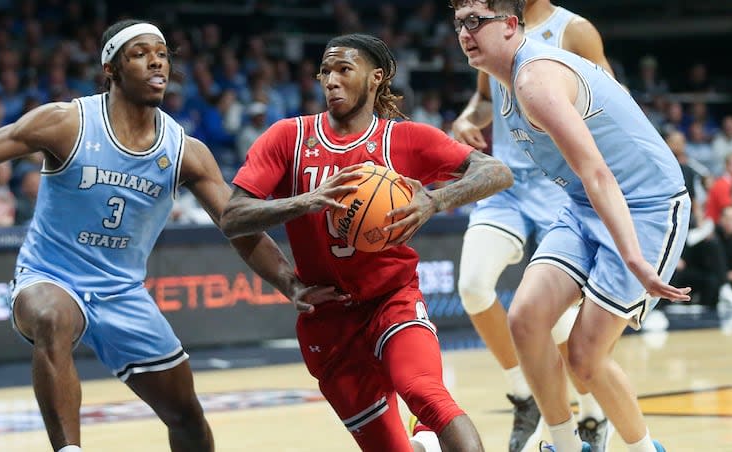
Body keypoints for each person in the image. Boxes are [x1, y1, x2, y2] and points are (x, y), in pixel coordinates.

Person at [0, 19, 337, 452]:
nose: (156, 63)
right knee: (54, 318)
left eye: (163, 55)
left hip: (123, 293)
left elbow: (237, 225)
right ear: (110, 68)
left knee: (186, 416)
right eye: (140, 53)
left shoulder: (184, 150)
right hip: (49, 277)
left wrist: (291, 283)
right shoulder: (66, 122)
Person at [220, 33, 513, 452]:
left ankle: (430, 436)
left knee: (427, 394)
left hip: (391, 299)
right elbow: (233, 218)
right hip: (328, 317)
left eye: (343, 69)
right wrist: (301, 224)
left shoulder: (405, 139)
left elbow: (496, 171)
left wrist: (435, 199)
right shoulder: (289, 137)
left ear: (375, 78)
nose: (331, 80)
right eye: (325, 71)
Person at [451, 1, 691, 452]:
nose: (466, 32)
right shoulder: (502, 78)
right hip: (583, 203)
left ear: (508, 25)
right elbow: (588, 181)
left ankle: (643, 449)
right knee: (525, 319)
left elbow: (597, 171)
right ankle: (562, 444)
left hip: (645, 206)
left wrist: (634, 257)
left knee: (584, 358)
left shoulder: (534, 79)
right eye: (460, 23)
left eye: (476, 22)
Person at [450, 1, 614, 450]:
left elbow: (609, 104)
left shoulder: (575, 31)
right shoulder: (491, 23)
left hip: (561, 186)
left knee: (560, 321)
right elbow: (485, 99)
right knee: (473, 285)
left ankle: (595, 416)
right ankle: (523, 394)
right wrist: (467, 120)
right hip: (505, 184)